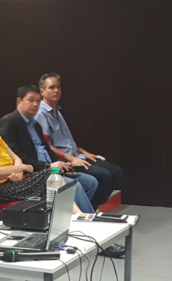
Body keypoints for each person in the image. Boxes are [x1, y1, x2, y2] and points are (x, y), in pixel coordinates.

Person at [0, 86, 97, 214]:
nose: (35, 104)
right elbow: (17, 154)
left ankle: (71, 219)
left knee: (91, 182)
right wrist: (48, 166)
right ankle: (88, 220)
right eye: (31, 100)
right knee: (74, 186)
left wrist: (63, 165)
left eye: (38, 101)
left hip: (51, 169)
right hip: (34, 173)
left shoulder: (35, 124)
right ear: (19, 101)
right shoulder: (9, 122)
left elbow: (47, 149)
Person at [0, 101, 81, 209]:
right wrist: (24, 168)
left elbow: (16, 158)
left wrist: (18, 172)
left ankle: (69, 216)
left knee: (51, 180)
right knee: (49, 176)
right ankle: (77, 215)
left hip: (10, 182)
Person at [37, 72, 125, 209]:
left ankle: (89, 208)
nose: (56, 91)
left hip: (77, 155)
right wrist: (70, 158)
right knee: (104, 176)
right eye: (51, 87)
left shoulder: (57, 111)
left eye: (58, 87)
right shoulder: (41, 114)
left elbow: (65, 141)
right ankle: (88, 210)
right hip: (65, 160)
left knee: (116, 172)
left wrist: (83, 151)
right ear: (42, 91)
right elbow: (46, 145)